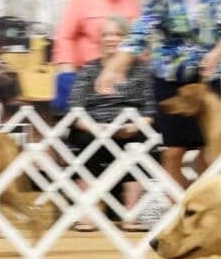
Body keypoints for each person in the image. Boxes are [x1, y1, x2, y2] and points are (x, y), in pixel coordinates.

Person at [95, 0, 221, 189]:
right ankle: (186, 213)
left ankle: (207, 215)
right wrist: (115, 66)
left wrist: (217, 53)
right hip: (170, 80)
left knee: (210, 154)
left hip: (206, 83)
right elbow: (142, 29)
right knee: (172, 153)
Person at [66, 15, 156, 232]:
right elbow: (74, 111)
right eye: (106, 34)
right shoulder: (88, 70)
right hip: (92, 127)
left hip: (129, 127)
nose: (110, 39)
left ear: (127, 40)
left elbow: (149, 110)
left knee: (140, 141)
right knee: (84, 141)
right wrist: (96, 128)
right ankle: (87, 214)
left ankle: (131, 214)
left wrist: (133, 127)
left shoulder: (141, 70)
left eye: (117, 34)